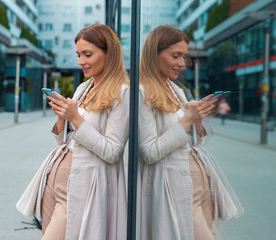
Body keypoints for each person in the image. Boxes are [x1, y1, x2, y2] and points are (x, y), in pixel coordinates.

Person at [17, 24, 129, 240]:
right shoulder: (84, 88)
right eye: (78, 55)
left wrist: (75, 117)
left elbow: (113, 151)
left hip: (82, 186)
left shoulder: (123, 93)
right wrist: (62, 116)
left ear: (110, 53)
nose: (81, 62)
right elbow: (63, 141)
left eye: (88, 54)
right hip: (54, 181)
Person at [137, 25, 243, 240]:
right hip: (175, 187)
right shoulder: (141, 93)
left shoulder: (175, 90)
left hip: (199, 183)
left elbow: (193, 142)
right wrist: (187, 119)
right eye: (176, 56)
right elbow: (149, 152)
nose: (182, 64)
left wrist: (198, 118)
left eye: (184, 56)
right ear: (154, 53)